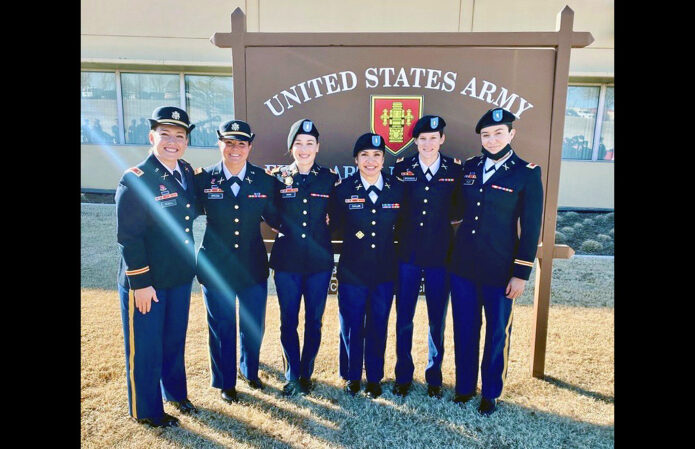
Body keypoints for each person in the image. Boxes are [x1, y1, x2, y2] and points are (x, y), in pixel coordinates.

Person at [449, 107, 543, 416]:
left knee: (497, 332)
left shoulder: (527, 172)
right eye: (486, 135)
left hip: (500, 270)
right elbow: (454, 210)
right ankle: (464, 388)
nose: (491, 140)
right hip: (463, 266)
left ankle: (490, 393)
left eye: (498, 133)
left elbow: (530, 229)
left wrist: (521, 273)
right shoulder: (471, 167)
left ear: (511, 134)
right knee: (465, 328)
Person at [115, 105, 199, 428]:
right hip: (148, 282)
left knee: (173, 341)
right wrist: (140, 283)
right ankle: (146, 410)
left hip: (178, 277)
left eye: (180, 136)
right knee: (146, 347)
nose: (172, 142)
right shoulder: (136, 179)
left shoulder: (186, 173)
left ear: (186, 142)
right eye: (165, 134)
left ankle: (175, 394)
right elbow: (129, 238)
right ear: (152, 137)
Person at [194, 119, 280, 404]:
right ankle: (225, 382)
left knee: (253, 323)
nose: (234, 149)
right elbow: (182, 214)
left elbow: (277, 217)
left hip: (252, 265)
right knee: (221, 326)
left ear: (249, 147)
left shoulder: (264, 179)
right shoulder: (203, 179)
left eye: (241, 143)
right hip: (215, 266)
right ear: (220, 143)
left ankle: (250, 371)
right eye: (229, 142)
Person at [330, 132, 406, 398]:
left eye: (376, 155)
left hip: (384, 271)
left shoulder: (397, 188)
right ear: (356, 159)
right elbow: (333, 227)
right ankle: (352, 375)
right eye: (365, 155)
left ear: (383, 159)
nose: (370, 161)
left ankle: (374, 376)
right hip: (352, 271)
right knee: (351, 324)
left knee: (378, 324)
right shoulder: (343, 190)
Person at [392, 115, 463, 399]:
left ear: (442, 139)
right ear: (415, 141)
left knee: (437, 319)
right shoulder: (402, 168)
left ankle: (434, 376)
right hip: (407, 254)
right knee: (404, 318)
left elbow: (459, 209)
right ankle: (403, 375)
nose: (428, 143)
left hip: (440, 256)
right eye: (422, 139)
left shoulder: (454, 170)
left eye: (433, 138)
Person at [267, 119, 340, 396]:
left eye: (310, 143)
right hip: (287, 262)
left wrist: (324, 228)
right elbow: (269, 211)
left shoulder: (329, 178)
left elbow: (337, 215)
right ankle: (291, 374)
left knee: (315, 320)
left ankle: (306, 372)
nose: (304, 148)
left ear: (318, 147)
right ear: (291, 147)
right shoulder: (279, 177)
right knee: (288, 319)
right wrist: (283, 227)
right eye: (298, 143)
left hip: (319, 262)